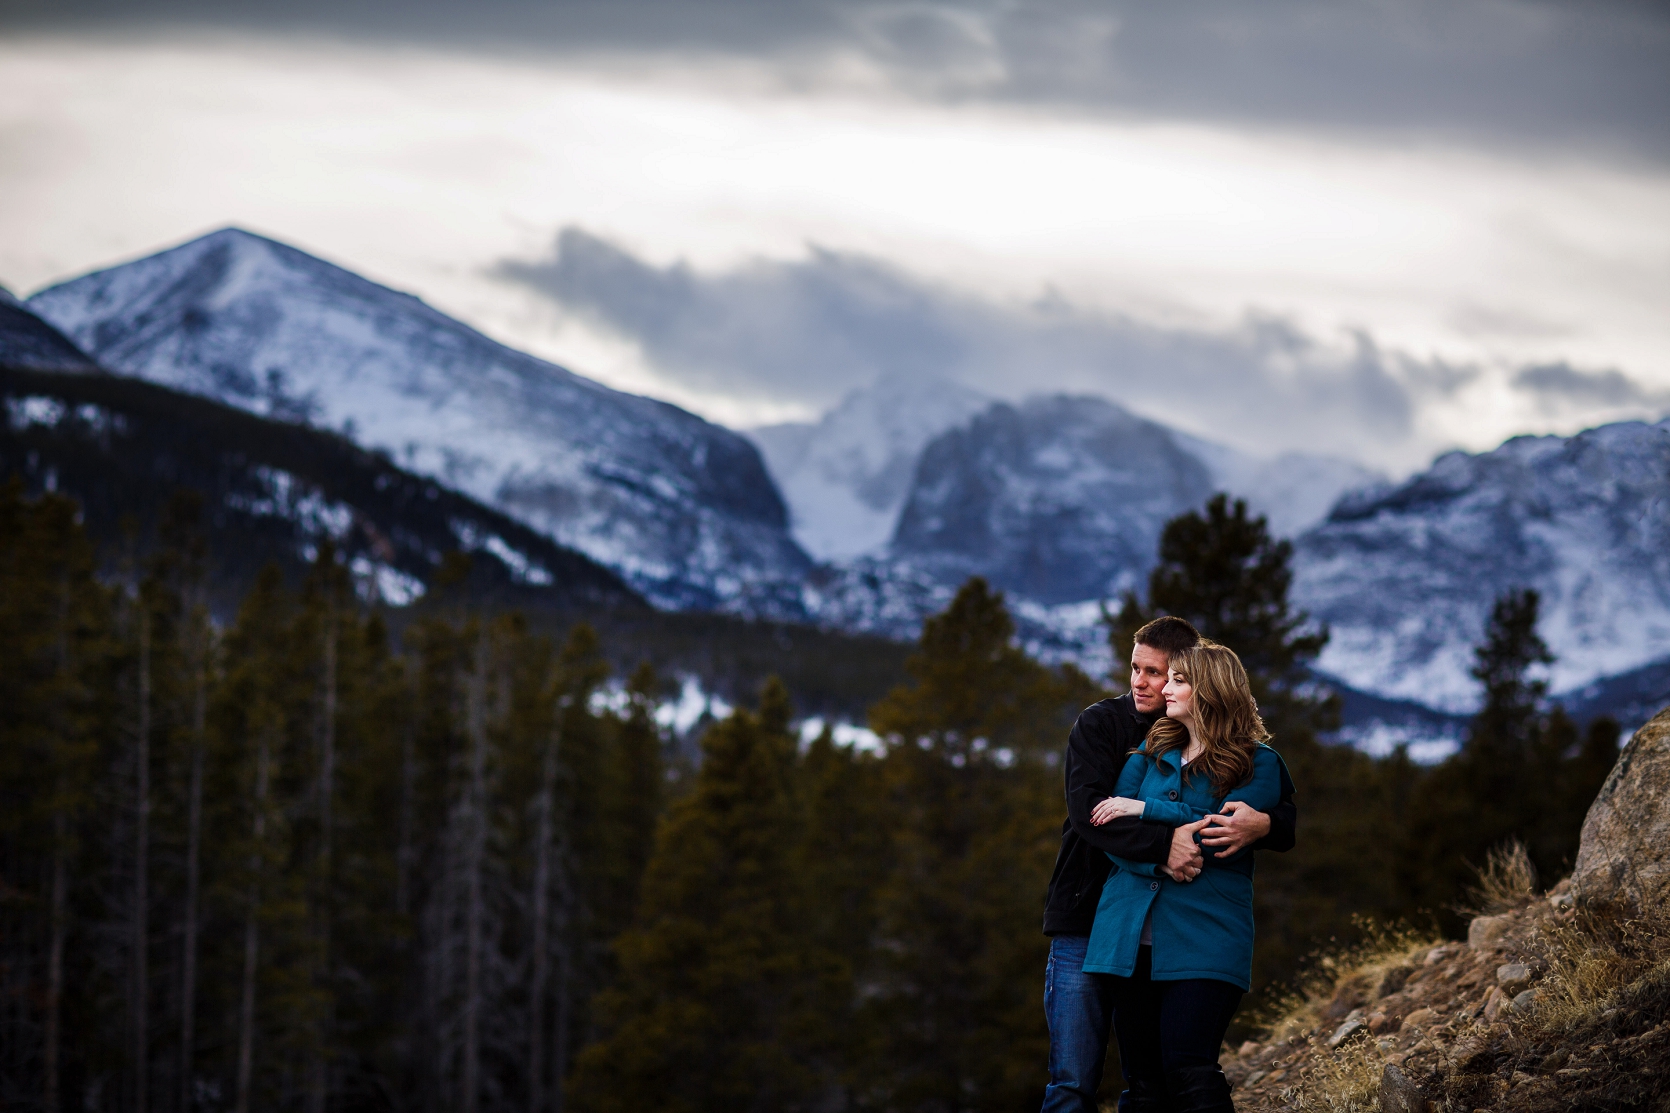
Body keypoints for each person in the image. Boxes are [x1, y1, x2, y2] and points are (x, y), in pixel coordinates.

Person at [1041, 618, 1296, 1113]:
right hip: (1095, 918)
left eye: (1160, 673)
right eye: (1135, 668)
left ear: (1201, 682)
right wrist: (1163, 851)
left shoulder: (1248, 757)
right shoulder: (1114, 730)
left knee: (1179, 1069)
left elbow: (1257, 817)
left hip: (1190, 929)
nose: (1141, 682)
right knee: (1086, 1080)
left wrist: (1264, 825)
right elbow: (1096, 819)